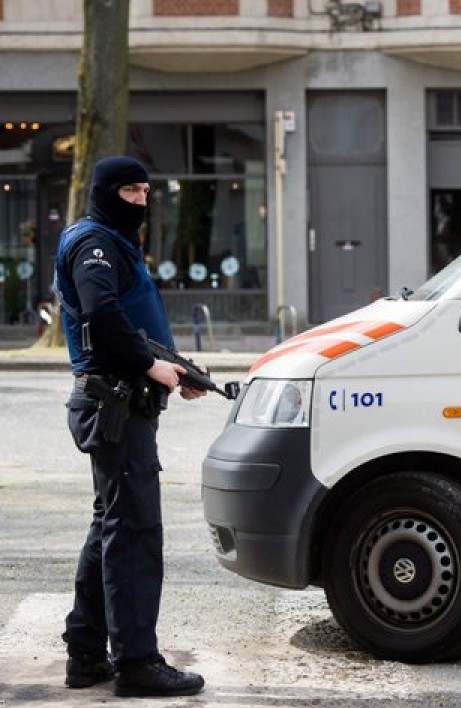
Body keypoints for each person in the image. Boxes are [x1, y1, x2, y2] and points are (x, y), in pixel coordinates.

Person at [54, 156, 206, 697]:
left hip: (126, 399)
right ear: (104, 192)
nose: (140, 201)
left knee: (111, 526)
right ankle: (138, 663)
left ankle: (87, 653)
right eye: (130, 191)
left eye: (145, 191)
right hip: (114, 402)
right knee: (135, 533)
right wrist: (149, 366)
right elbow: (102, 313)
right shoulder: (93, 244)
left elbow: (134, 325)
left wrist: (177, 371)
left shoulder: (114, 243)